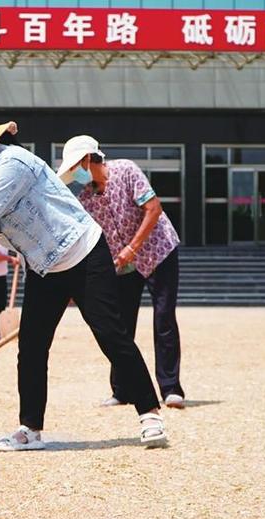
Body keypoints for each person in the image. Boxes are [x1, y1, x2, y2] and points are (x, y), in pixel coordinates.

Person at [0, 110, 168, 450]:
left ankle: (150, 413)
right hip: (43, 267)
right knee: (32, 347)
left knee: (111, 333)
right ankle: (30, 428)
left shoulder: (13, 163)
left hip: (83, 252)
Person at [57, 135, 186, 409]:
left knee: (163, 318)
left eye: (74, 167)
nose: (74, 175)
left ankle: (171, 388)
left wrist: (133, 246)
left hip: (159, 250)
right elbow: (86, 240)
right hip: (123, 264)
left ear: (87, 160)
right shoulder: (86, 199)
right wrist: (74, 284)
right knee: (120, 323)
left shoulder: (126, 170)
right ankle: (123, 389)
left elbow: (153, 208)